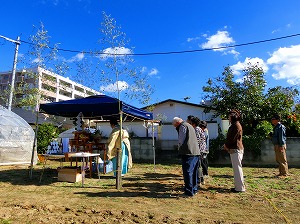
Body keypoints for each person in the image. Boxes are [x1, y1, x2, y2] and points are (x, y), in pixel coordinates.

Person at [173, 117, 200, 197]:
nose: (175, 128)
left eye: (175, 126)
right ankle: (194, 189)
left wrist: (179, 147)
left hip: (188, 152)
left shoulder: (182, 126)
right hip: (196, 152)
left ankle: (189, 191)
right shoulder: (190, 125)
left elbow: (181, 140)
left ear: (177, 123)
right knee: (194, 172)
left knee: (188, 172)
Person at [223, 109, 246, 193]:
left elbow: (232, 138)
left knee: (237, 169)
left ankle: (240, 188)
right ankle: (238, 187)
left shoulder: (236, 125)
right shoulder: (235, 125)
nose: (228, 118)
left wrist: (226, 145)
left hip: (236, 149)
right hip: (235, 149)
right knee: (237, 169)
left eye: (229, 116)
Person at [188, 116, 206, 186]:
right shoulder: (196, 129)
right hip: (199, 149)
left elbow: (197, 140)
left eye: (190, 122)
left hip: (199, 150)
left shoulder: (196, 129)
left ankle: (199, 181)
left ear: (193, 123)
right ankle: (201, 179)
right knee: (199, 165)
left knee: (198, 165)